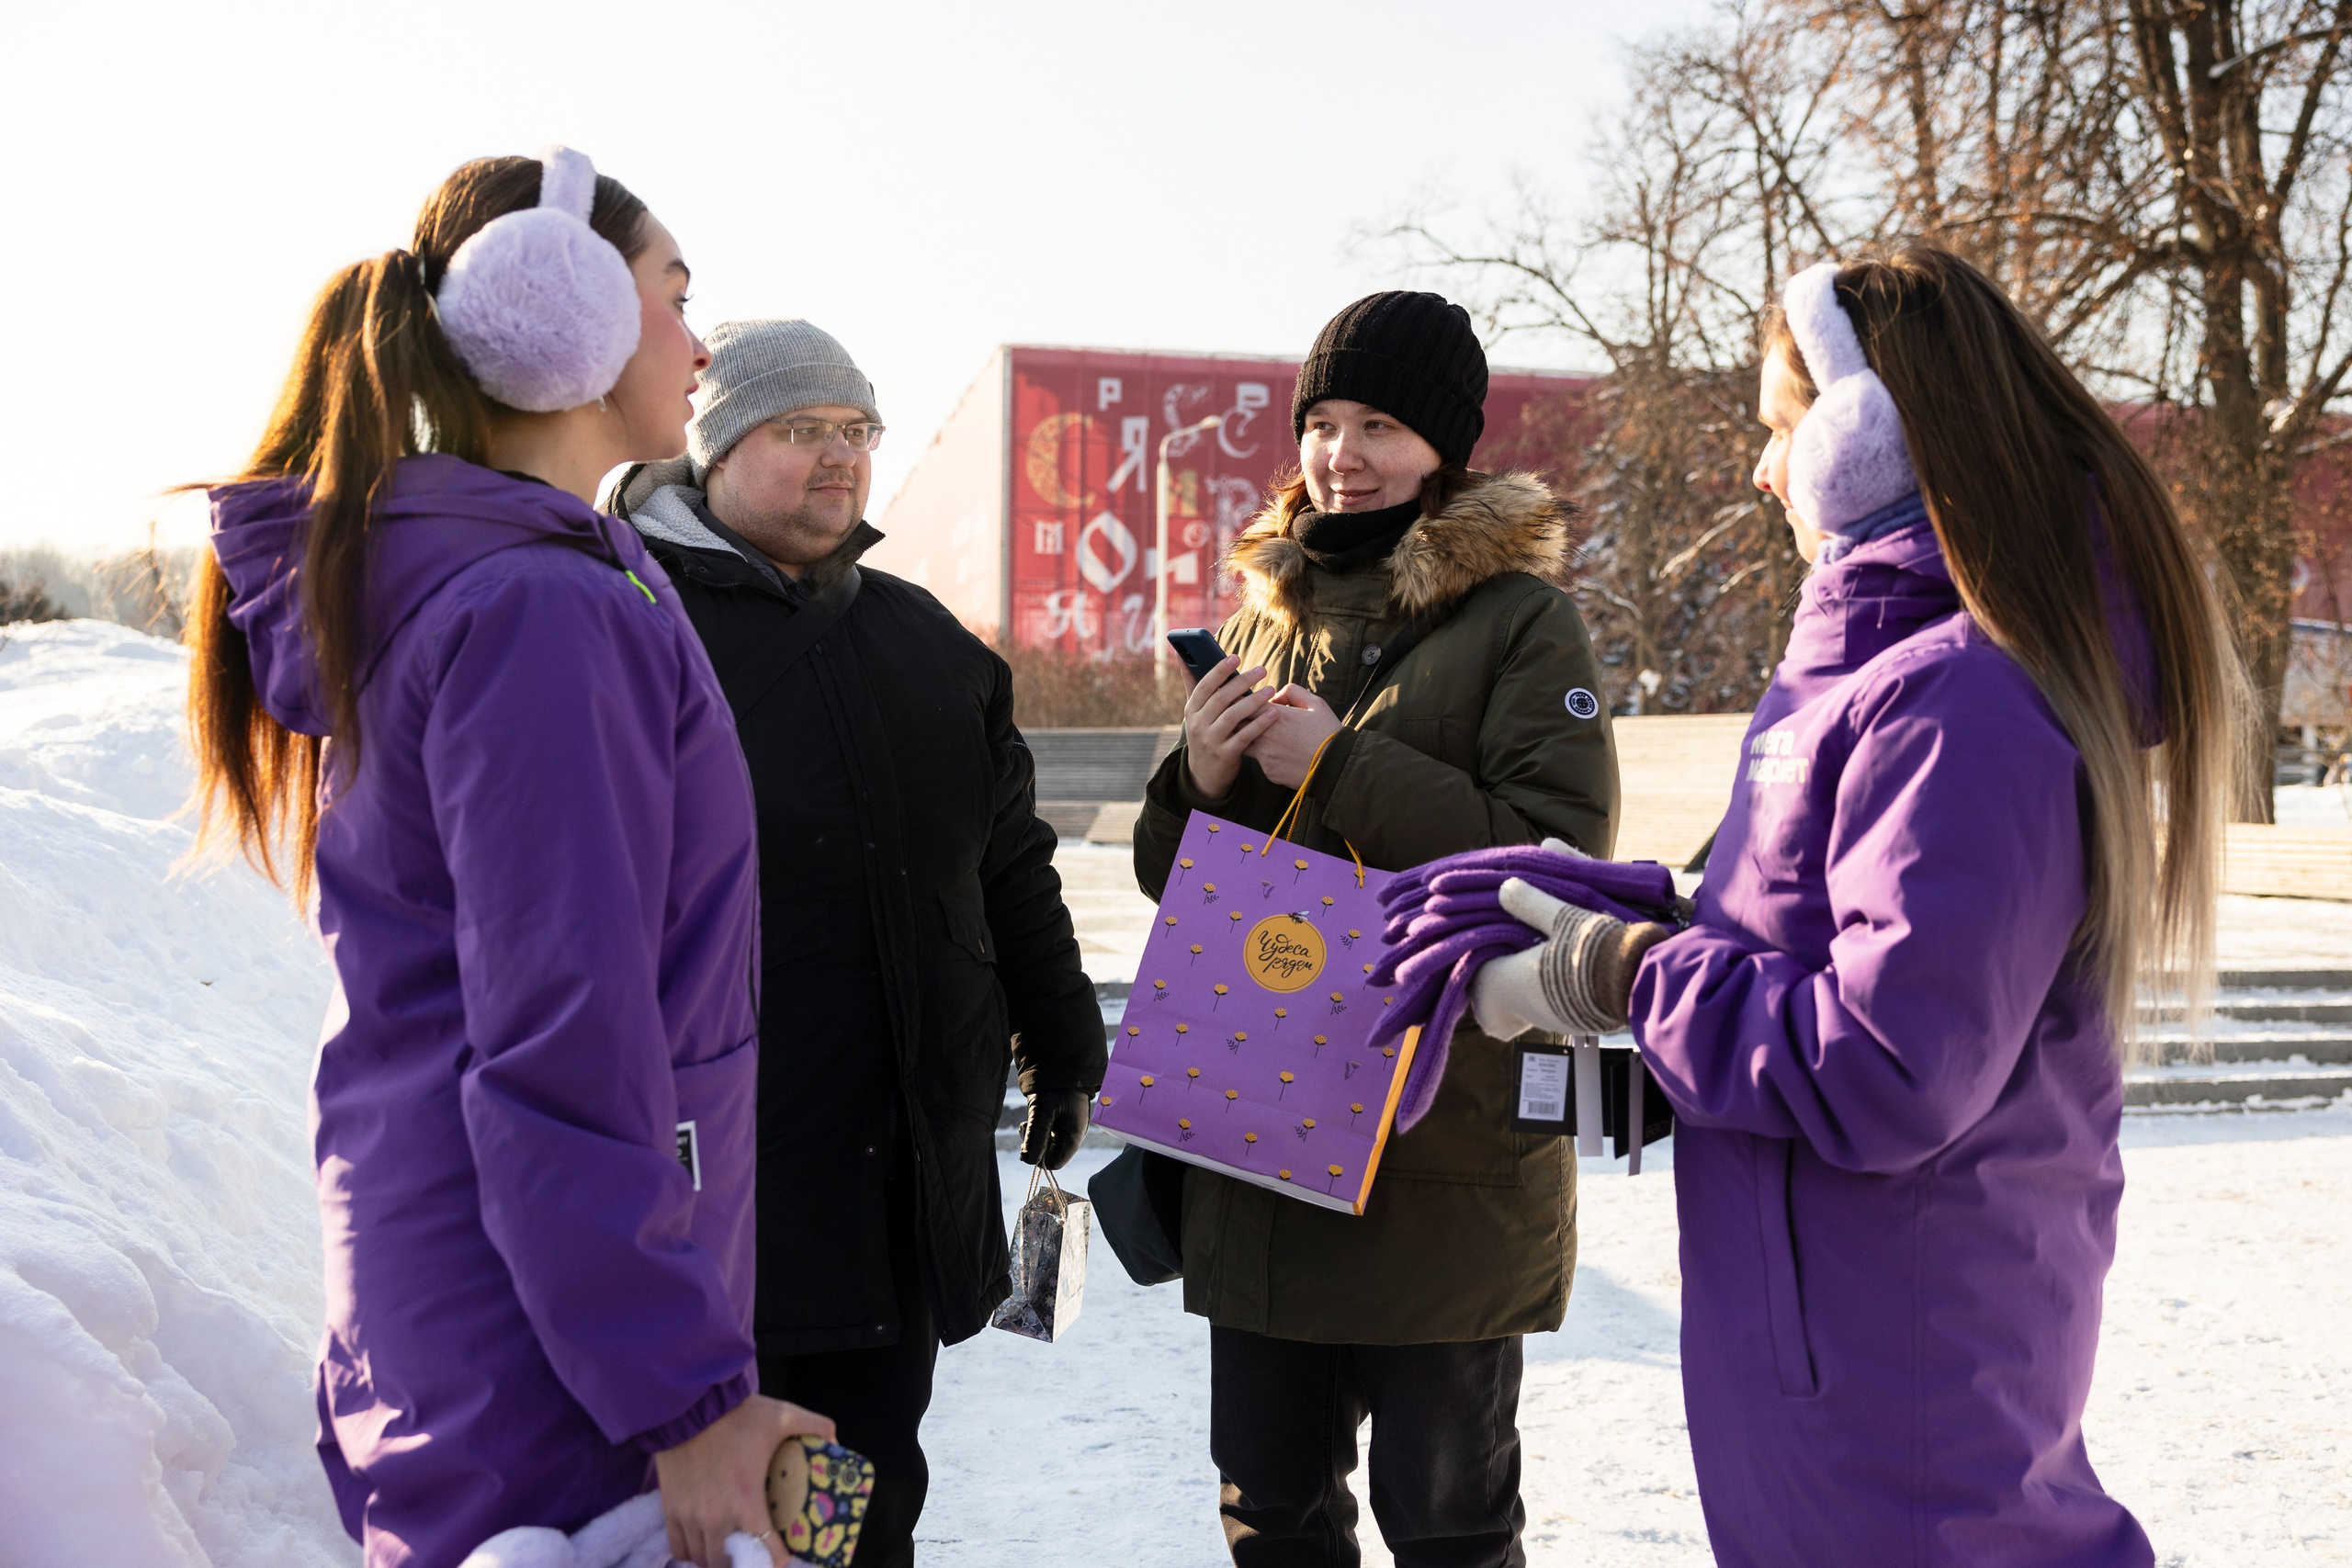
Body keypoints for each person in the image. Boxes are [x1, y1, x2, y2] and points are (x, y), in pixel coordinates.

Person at [1470, 246, 2243, 1566]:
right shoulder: (1870, 686)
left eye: (1783, 430)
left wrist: (1632, 978)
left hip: (1904, 1382)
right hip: (1831, 1362)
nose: (1764, 473)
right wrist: (1648, 942)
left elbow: (1891, 1065)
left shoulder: (1962, 703)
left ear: (1870, 439)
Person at [187, 152, 830, 1568]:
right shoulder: (539, 608)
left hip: (517, 1302)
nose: (700, 341)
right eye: (676, 296)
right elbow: (560, 1038)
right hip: (558, 1359)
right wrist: (688, 1397)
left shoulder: (540, 572)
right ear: (566, 314)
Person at [601, 319, 1106, 1568]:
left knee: (865, 1499)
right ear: (716, 449)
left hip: (900, 1182)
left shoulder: (929, 647)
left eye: (856, 432)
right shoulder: (628, 621)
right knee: (736, 1516)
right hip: (728, 1188)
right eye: (799, 430)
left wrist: (1060, 1040)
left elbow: (1005, 863)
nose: (839, 458)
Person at [1130, 290, 1619, 1568]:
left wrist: (1336, 764)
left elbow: (1561, 865)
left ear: (1444, 448)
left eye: (1381, 426)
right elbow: (1170, 879)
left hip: (1434, 1156)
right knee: (1272, 1518)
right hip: (1263, 1132)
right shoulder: (1257, 616)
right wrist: (1199, 777)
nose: (1343, 456)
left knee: (1448, 1526)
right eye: (1324, 424)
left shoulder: (1521, 621)